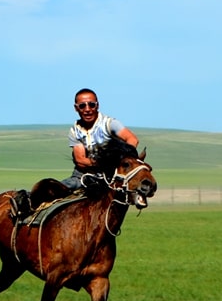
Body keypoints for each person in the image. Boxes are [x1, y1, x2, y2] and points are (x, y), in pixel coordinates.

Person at [11, 88, 140, 219]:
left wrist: (119, 158)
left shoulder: (110, 124)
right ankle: (27, 209)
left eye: (91, 104)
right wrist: (103, 162)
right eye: (82, 106)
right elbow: (81, 160)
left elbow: (132, 139)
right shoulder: (75, 130)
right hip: (82, 177)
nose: (87, 109)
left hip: (109, 177)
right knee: (52, 190)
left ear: (97, 105)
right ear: (76, 108)